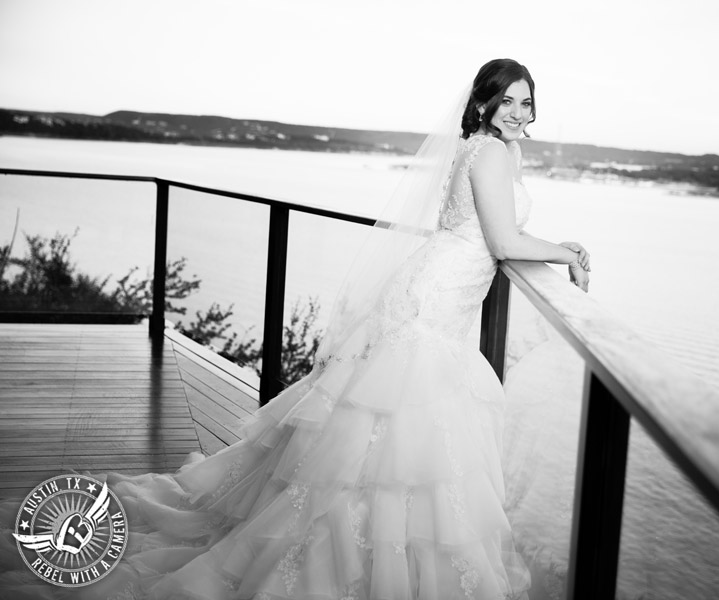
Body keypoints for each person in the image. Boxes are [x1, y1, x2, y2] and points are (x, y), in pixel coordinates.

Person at [0, 58, 590, 600]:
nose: (518, 112)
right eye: (507, 100)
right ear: (484, 103)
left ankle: (381, 552)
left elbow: (484, 233)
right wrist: (566, 252)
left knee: (390, 436)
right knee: (398, 436)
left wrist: (546, 245)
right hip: (432, 310)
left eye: (526, 102)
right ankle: (366, 557)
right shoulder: (489, 153)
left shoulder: (487, 149)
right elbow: (503, 241)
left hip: (441, 298)